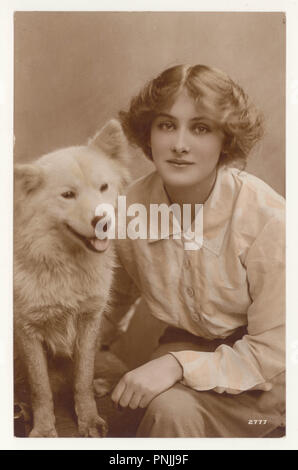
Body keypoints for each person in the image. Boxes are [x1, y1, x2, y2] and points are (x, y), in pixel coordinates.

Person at [99, 64, 285, 437]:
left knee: (172, 413)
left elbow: (275, 349)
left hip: (269, 373)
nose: (179, 144)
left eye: (200, 128)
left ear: (225, 139)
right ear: (148, 133)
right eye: (166, 125)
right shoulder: (126, 209)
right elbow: (106, 303)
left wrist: (176, 365)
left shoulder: (268, 219)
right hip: (180, 352)